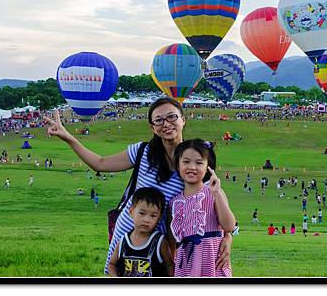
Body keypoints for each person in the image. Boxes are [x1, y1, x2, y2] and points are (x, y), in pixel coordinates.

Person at [44, 97, 233, 274]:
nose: (166, 124)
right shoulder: (143, 152)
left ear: (183, 120)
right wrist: (68, 137)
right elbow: (100, 163)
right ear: (152, 127)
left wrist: (228, 236)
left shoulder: (195, 162)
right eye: (158, 120)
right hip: (128, 236)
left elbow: (213, 202)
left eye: (172, 117)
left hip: (162, 246)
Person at [168, 139, 235, 277]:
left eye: (199, 163)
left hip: (212, 260)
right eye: (186, 162)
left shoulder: (214, 193)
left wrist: (217, 193)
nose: (192, 167)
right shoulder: (174, 202)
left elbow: (229, 226)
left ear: (207, 167)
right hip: (186, 263)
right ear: (178, 165)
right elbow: (173, 240)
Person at [107, 187, 174, 277]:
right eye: (142, 213)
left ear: (159, 218)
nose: (146, 220)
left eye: (153, 216)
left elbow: (170, 266)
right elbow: (111, 264)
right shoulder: (123, 241)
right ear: (131, 212)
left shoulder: (160, 242)